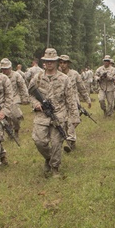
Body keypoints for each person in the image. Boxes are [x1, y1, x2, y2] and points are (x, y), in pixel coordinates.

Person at [28, 48, 77, 177]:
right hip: (41, 115)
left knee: (56, 143)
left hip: (59, 114)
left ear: (56, 62)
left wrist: (74, 117)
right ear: (44, 62)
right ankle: (48, 158)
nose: (49, 63)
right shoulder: (37, 78)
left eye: (52, 61)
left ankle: (55, 168)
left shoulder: (64, 79)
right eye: (47, 61)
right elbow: (30, 94)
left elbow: (70, 99)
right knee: (39, 141)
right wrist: (36, 104)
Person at [58, 54, 91, 151]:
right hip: (61, 102)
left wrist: (87, 99)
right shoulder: (57, 74)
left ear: (68, 64)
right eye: (60, 62)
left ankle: (70, 140)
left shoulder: (75, 74)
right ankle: (71, 140)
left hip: (73, 101)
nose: (62, 65)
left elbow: (82, 88)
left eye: (64, 63)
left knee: (73, 121)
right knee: (63, 122)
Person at [0, 58, 28, 136]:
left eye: (6, 69)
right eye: (3, 69)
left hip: (14, 97)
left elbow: (22, 86)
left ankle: (16, 130)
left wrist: (25, 97)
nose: (4, 71)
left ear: (10, 68)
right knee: (6, 117)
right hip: (3, 99)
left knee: (14, 115)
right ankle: (9, 132)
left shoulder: (16, 75)